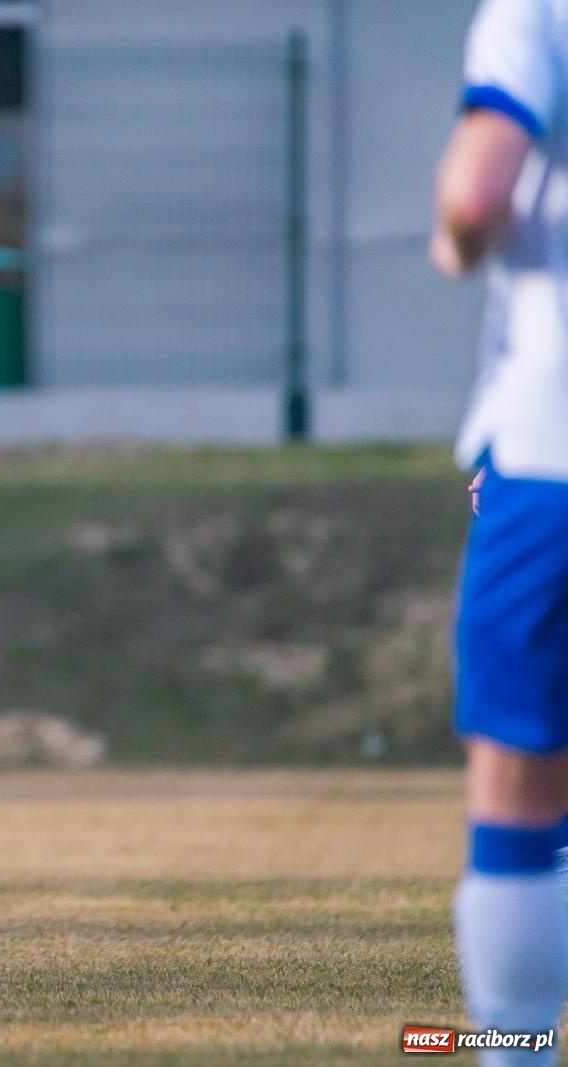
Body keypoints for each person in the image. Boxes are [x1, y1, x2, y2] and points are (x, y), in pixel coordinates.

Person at [433, 1, 568, 1060]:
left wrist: (455, 235)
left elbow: (478, 188)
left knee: (521, 778)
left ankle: (513, 1049)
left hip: (551, 450)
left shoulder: (533, 13)